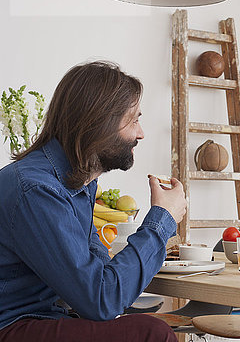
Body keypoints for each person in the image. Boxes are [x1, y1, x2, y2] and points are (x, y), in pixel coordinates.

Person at [0, 61, 187, 342]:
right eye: (133, 120)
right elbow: (101, 299)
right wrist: (162, 219)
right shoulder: (37, 190)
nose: (141, 133)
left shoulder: (79, 184)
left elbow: (99, 279)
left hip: (46, 317)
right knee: (152, 333)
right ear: (100, 123)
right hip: (13, 326)